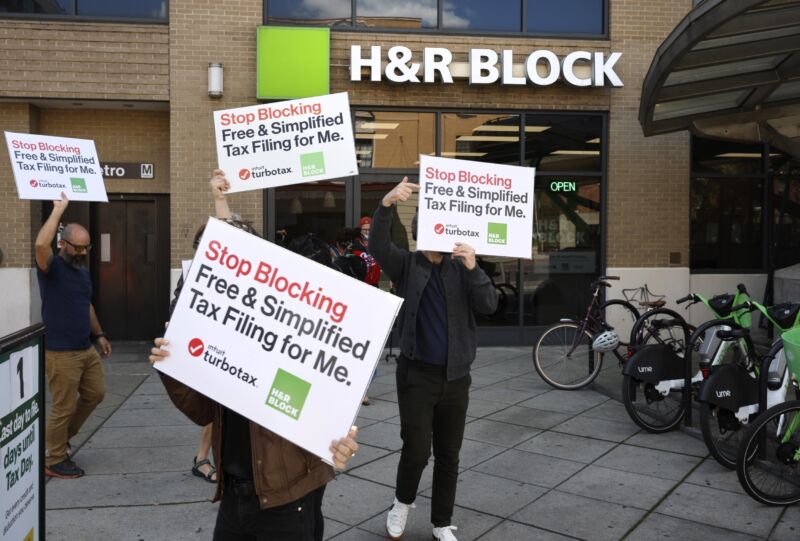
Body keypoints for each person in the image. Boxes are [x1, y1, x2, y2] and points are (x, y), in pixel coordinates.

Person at [149, 170, 359, 541]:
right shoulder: (217, 334)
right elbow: (201, 411)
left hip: (286, 499)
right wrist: (171, 367)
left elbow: (326, 401)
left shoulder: (291, 326)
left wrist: (338, 442)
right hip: (234, 496)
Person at [371, 178, 497, 541]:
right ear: (420, 232)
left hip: (456, 378)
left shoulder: (462, 268)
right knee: (416, 449)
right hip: (417, 376)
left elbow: (489, 305)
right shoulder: (407, 266)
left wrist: (475, 268)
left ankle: (442, 523)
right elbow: (379, 245)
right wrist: (386, 205)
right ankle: (401, 503)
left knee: (448, 455)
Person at [35, 192, 112, 479]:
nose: (82, 252)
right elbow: (41, 244)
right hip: (60, 351)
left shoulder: (82, 273)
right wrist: (58, 211)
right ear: (63, 244)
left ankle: (58, 441)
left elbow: (86, 304)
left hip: (84, 348)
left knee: (96, 394)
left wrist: (100, 334)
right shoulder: (51, 268)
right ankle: (54, 459)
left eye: (86, 247)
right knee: (63, 406)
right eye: (77, 247)